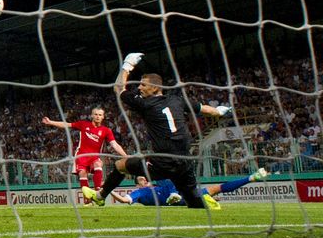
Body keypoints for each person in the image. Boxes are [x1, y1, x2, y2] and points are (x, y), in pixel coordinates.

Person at [82, 53, 233, 209]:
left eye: (143, 85)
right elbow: (204, 109)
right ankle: (205, 202)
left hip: (163, 161)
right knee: (193, 202)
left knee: (120, 165)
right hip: (184, 162)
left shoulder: (145, 104)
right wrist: (219, 111)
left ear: (155, 88)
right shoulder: (177, 100)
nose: (139, 87)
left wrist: (127, 66)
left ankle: (100, 197)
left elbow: (118, 88)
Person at [42, 108, 128, 204]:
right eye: (95, 114)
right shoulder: (83, 124)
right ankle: (87, 201)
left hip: (95, 157)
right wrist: (50, 122)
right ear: (92, 115)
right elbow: (67, 124)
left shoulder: (106, 130)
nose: (97, 116)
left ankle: (98, 194)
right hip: (81, 155)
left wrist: (126, 156)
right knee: (82, 173)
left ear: (103, 117)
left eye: (100, 115)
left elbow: (114, 144)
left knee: (98, 164)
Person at [110, 168, 269, 207]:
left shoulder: (158, 184)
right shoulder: (139, 192)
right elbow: (125, 200)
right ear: (138, 184)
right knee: (173, 174)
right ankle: (176, 195)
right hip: (175, 199)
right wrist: (109, 190)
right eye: (141, 179)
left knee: (218, 187)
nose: (143, 179)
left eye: (144, 178)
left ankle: (250, 178)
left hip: (183, 194)